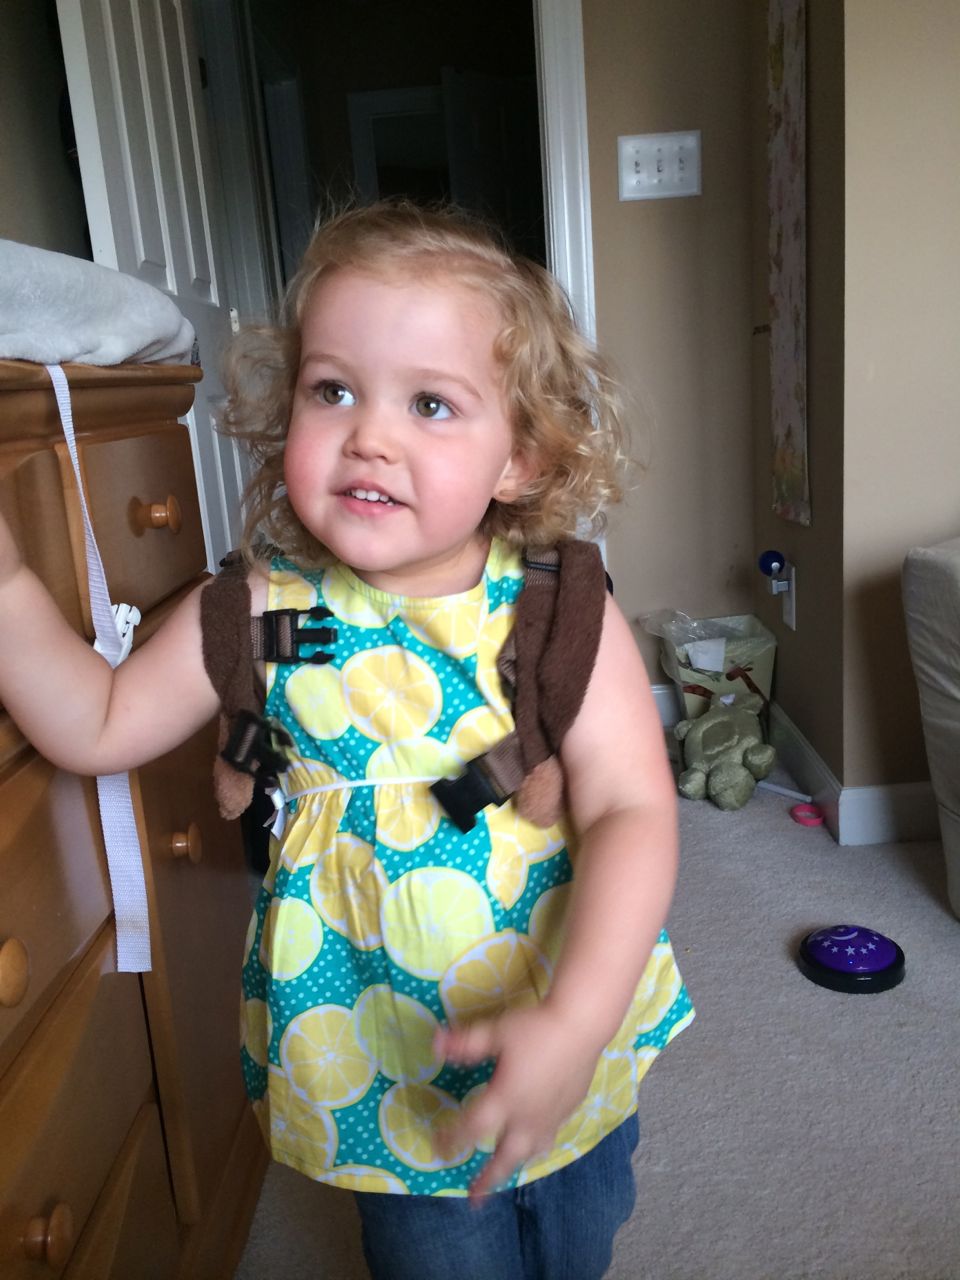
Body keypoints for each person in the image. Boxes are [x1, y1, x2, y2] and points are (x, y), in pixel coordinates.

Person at [0, 201, 693, 1280]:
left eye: (431, 403)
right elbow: (96, 722)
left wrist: (576, 1019)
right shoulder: (254, 613)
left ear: (519, 457)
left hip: (562, 1004)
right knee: (437, 1260)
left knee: (578, 1236)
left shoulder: (557, 609)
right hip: (381, 1053)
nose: (370, 433)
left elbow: (632, 806)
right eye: (333, 390)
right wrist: (5, 583)